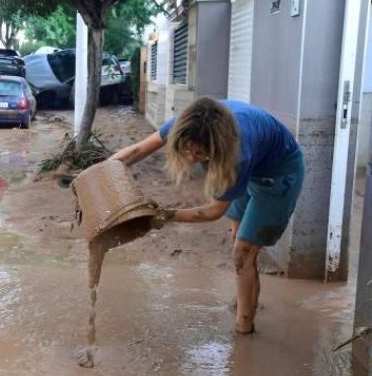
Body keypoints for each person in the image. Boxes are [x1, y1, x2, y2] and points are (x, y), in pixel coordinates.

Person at [111, 97, 305, 334]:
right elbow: (138, 149)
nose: (192, 158)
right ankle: (244, 299)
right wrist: (97, 174)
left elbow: (213, 211)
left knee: (243, 251)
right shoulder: (188, 124)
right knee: (238, 237)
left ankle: (244, 329)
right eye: (187, 150)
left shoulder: (237, 156)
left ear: (215, 148)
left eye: (200, 154)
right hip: (255, 163)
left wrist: (160, 216)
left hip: (279, 173)